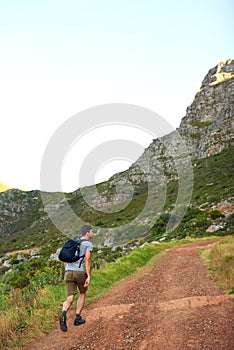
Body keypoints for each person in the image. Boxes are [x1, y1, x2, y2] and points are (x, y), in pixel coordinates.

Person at [59, 224, 94, 332]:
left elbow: (65, 258)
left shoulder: (73, 242)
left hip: (68, 272)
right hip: (79, 272)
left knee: (70, 298)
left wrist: (67, 270)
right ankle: (77, 318)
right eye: (92, 231)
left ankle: (63, 312)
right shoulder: (87, 243)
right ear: (87, 233)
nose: (93, 233)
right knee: (82, 293)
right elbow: (87, 259)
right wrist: (88, 275)